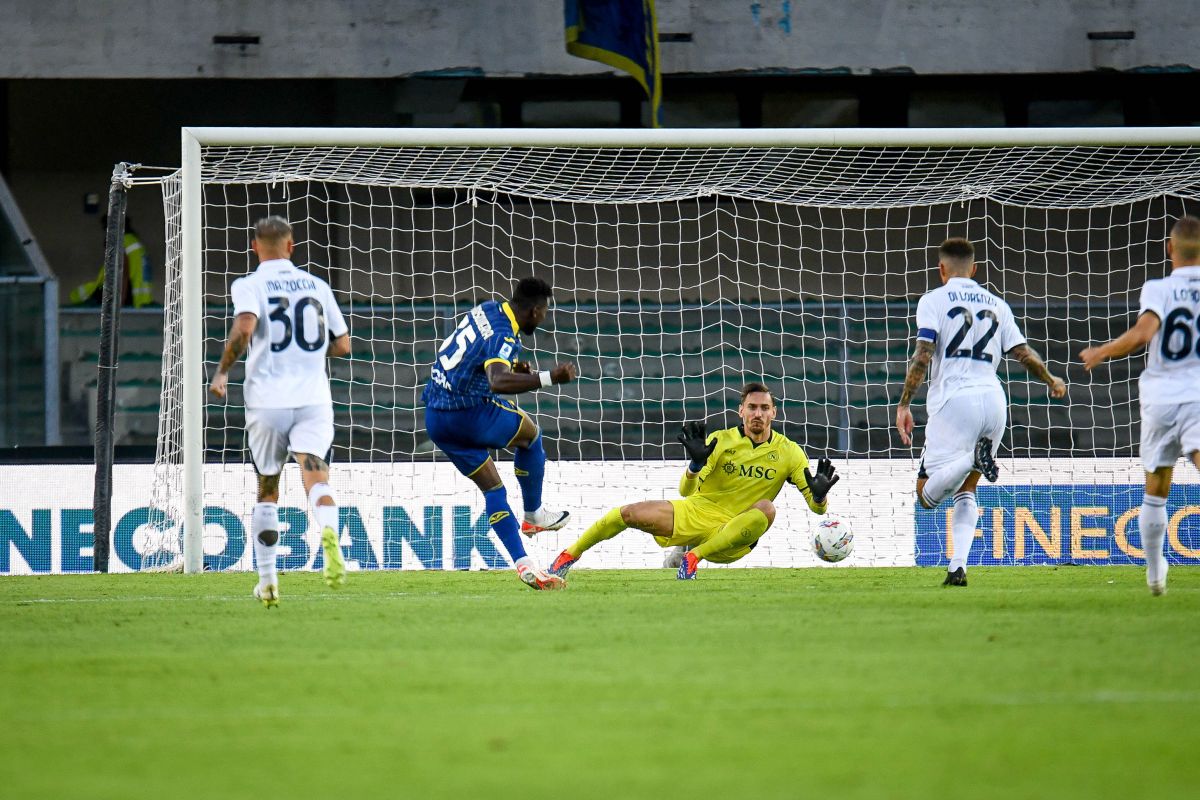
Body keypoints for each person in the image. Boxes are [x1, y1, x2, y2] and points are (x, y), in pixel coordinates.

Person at [896, 237, 1066, 587]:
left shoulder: (933, 300)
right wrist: (1051, 379)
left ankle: (972, 459)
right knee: (967, 489)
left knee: (925, 495)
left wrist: (905, 402)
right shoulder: (996, 303)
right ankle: (958, 567)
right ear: (974, 269)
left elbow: (923, 353)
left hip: (955, 401)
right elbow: (1022, 353)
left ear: (941, 269)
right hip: (994, 400)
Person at [546, 382, 840, 581]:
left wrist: (818, 496)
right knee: (628, 513)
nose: (758, 414)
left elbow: (818, 510)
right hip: (699, 513)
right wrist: (695, 465)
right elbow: (685, 491)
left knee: (767, 508)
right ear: (741, 411)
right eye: (752, 407)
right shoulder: (721, 440)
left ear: (774, 412)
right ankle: (567, 557)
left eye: (764, 408)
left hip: (734, 535)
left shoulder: (790, 452)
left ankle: (692, 558)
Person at [208, 216, 351, 608]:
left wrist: (222, 371)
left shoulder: (249, 285)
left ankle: (268, 581)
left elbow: (245, 326)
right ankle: (328, 531)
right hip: (313, 399)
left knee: (268, 488)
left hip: (267, 401)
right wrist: (307, 356)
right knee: (316, 475)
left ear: (255, 246)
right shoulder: (317, 286)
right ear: (291, 246)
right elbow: (343, 345)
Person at [421, 278, 577, 590]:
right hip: (467, 413)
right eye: (544, 312)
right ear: (534, 311)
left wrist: (517, 368)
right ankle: (534, 514)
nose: (543, 318)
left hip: (437, 419)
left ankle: (524, 564)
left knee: (493, 489)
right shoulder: (503, 334)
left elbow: (479, 358)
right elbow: (497, 381)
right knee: (530, 434)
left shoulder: (488, 309)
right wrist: (549, 377)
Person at [1080, 215, 1200, 596]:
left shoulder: (1158, 289)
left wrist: (1101, 351)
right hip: (1197, 394)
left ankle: (1154, 570)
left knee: (1156, 486)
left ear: (1170, 248)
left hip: (1161, 397)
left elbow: (1143, 334)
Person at [69, 216, 154, 307]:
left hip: (127, 295)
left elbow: (122, 274)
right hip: (141, 298)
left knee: (81, 296)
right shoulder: (132, 241)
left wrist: (119, 302)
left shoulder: (120, 242)